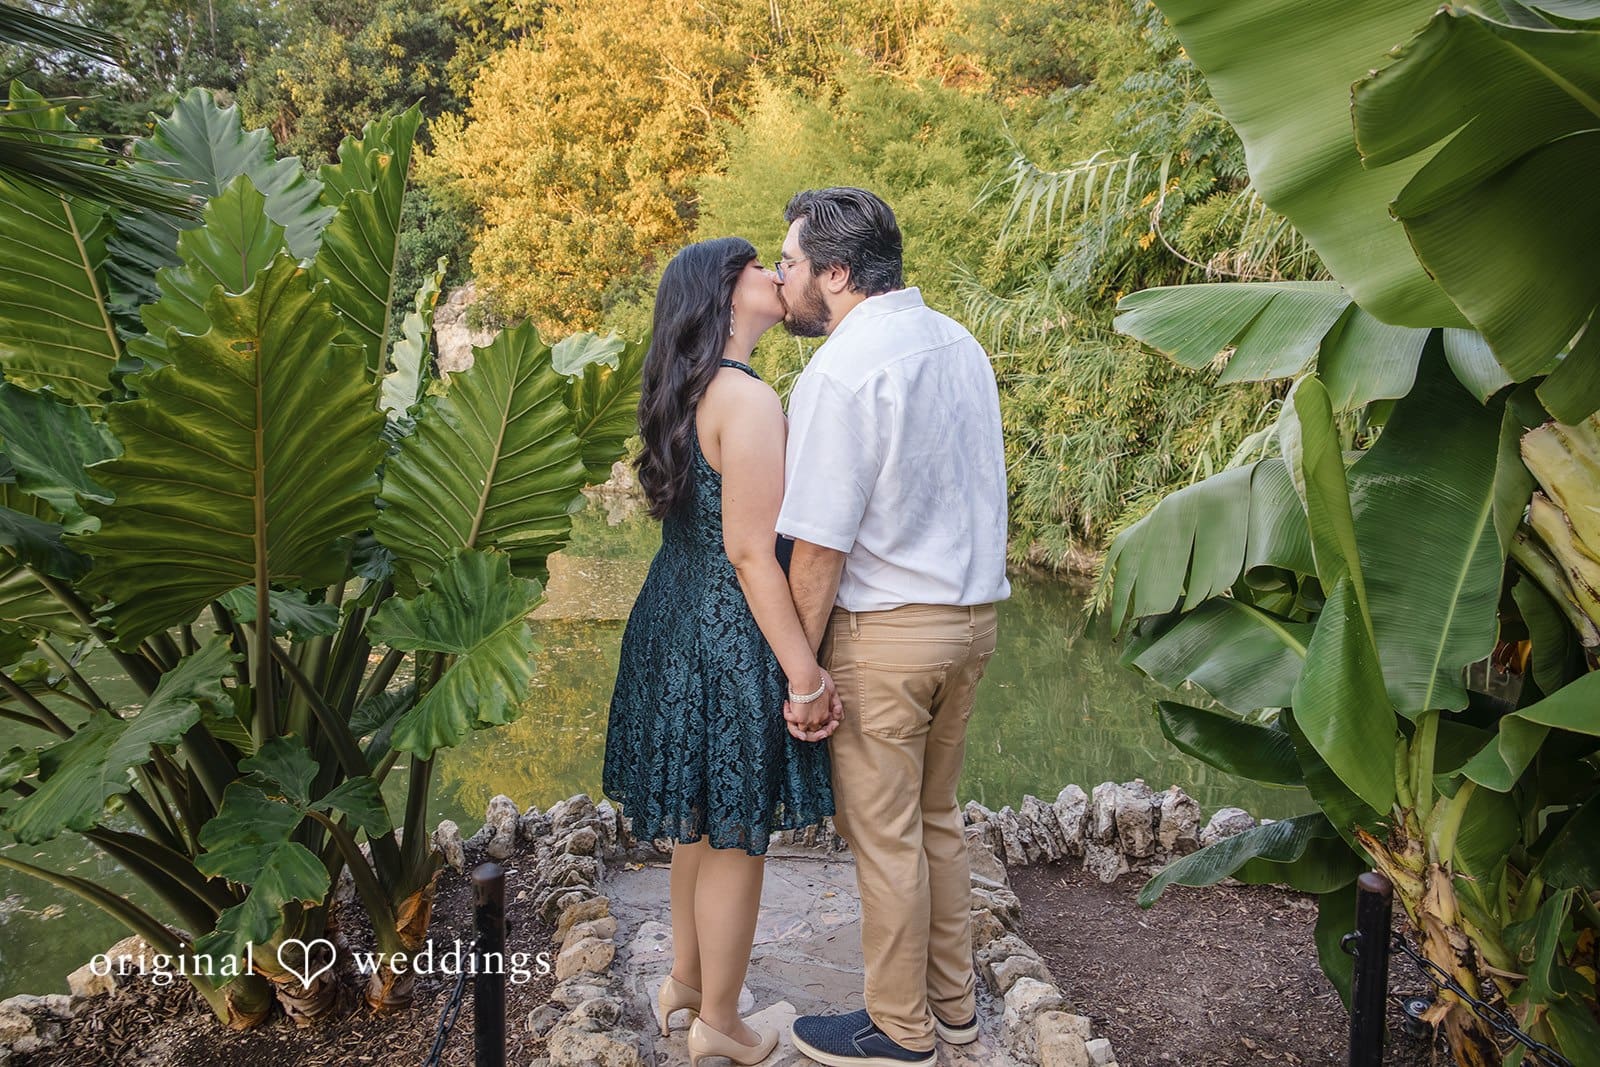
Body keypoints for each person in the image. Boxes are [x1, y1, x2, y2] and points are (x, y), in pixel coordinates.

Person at [775, 188, 1011, 1067]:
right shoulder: (960, 343)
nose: (783, 279)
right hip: (972, 620)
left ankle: (900, 1028)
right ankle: (953, 1011)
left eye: (792, 263)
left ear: (837, 273)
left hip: (889, 635)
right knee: (937, 818)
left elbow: (818, 550)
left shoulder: (841, 369)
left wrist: (800, 672)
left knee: (887, 838)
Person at [602, 236, 839, 1067]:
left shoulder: (691, 389)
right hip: (725, 635)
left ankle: (686, 985)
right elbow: (749, 550)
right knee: (738, 832)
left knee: (698, 822)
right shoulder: (748, 400)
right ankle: (723, 1027)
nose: (775, 274)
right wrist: (804, 674)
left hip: (670, 620)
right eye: (756, 266)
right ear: (725, 293)